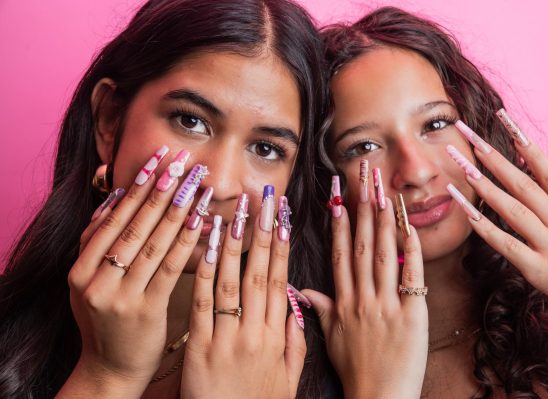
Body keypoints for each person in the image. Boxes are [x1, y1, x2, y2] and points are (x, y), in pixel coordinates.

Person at [0, 0, 334, 398]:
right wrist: (106, 374)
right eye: (190, 121)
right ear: (109, 120)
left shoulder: (326, 360)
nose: (222, 183)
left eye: (265, 149)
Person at [303, 6, 548, 398]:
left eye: (435, 124)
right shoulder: (296, 359)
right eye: (364, 146)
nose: (417, 172)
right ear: (326, 182)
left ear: (476, 128)